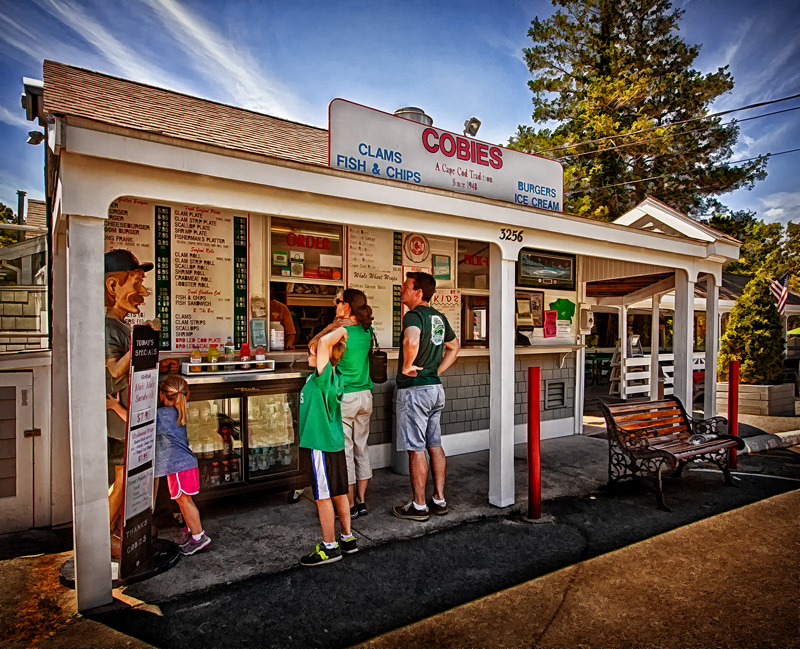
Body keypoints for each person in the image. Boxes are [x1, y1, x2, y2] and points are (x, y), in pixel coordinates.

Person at [393, 271, 460, 522]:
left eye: (406, 287)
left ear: (418, 292)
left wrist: (407, 365)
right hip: (434, 389)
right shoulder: (439, 318)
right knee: (434, 444)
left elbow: (411, 339)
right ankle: (439, 499)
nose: (403, 291)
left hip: (415, 391)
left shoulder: (414, 315)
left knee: (416, 448)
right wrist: (437, 370)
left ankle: (419, 506)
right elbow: (454, 347)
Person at [309, 289, 374, 518]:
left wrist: (329, 327)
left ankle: (349, 506)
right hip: (366, 396)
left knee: (345, 451)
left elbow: (314, 347)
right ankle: (361, 500)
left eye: (340, 302)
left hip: (345, 397)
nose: (336, 304)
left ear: (347, 307)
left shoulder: (342, 331)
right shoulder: (367, 331)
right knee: (361, 448)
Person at [104, 249, 153, 540]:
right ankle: (106, 532)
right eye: (135, 283)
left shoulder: (120, 325)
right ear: (113, 286)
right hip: (120, 421)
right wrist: (141, 341)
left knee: (128, 478)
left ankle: (120, 531)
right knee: (123, 480)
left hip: (128, 416)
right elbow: (113, 370)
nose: (142, 292)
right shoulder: (110, 327)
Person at [298, 326, 358, 566]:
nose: (308, 356)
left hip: (320, 445)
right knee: (339, 492)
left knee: (323, 497)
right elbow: (324, 344)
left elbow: (324, 344)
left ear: (324, 355)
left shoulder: (325, 378)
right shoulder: (332, 374)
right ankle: (347, 537)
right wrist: (334, 329)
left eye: (312, 353)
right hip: (332, 443)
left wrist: (342, 327)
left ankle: (330, 546)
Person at [155, 374, 211, 555]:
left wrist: (115, 407)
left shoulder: (163, 415)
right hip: (185, 465)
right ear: (186, 396)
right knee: (183, 501)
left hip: (179, 466)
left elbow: (140, 424)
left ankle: (198, 536)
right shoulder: (179, 411)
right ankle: (191, 530)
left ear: (161, 395)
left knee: (185, 502)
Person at [269, 283, 297, 349]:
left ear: (271, 290)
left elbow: (291, 333)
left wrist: (289, 344)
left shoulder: (281, 308)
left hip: (278, 348)